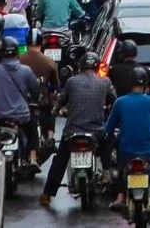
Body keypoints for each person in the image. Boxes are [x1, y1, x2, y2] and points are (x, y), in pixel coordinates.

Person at [38, 50, 115, 207]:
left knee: (60, 160)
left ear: (81, 66)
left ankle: (47, 194)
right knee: (109, 139)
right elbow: (114, 101)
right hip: (96, 132)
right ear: (96, 67)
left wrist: (55, 111)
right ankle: (106, 173)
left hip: (71, 132)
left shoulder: (71, 82)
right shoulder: (105, 82)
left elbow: (60, 101)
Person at [105, 66, 150, 205]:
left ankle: (120, 197)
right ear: (145, 83)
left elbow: (109, 128)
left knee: (122, 168)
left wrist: (108, 136)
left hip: (127, 151)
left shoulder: (120, 102)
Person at [0, 36, 42, 166]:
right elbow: (35, 91)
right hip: (22, 116)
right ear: (16, 52)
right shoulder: (26, 70)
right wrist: (37, 100)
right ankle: (32, 159)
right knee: (32, 129)